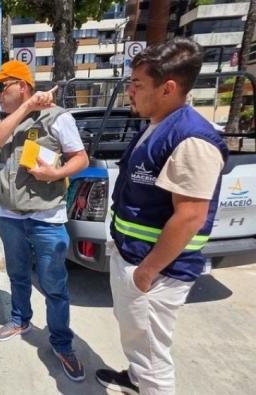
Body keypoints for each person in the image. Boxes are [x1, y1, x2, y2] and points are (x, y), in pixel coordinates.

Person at [95, 38, 228, 395]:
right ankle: (136, 380)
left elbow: (189, 217)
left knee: (154, 358)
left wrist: (146, 272)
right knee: (140, 343)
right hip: (136, 257)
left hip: (158, 274)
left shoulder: (191, 139)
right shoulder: (158, 124)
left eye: (137, 84)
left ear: (168, 88)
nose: (130, 93)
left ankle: (146, 382)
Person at [0, 60, 89, 381]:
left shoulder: (57, 118)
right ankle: (20, 318)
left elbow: (80, 158)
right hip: (9, 216)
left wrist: (55, 173)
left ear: (23, 85)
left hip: (47, 217)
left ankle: (61, 343)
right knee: (17, 274)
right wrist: (27, 107)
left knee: (54, 286)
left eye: (3, 86)